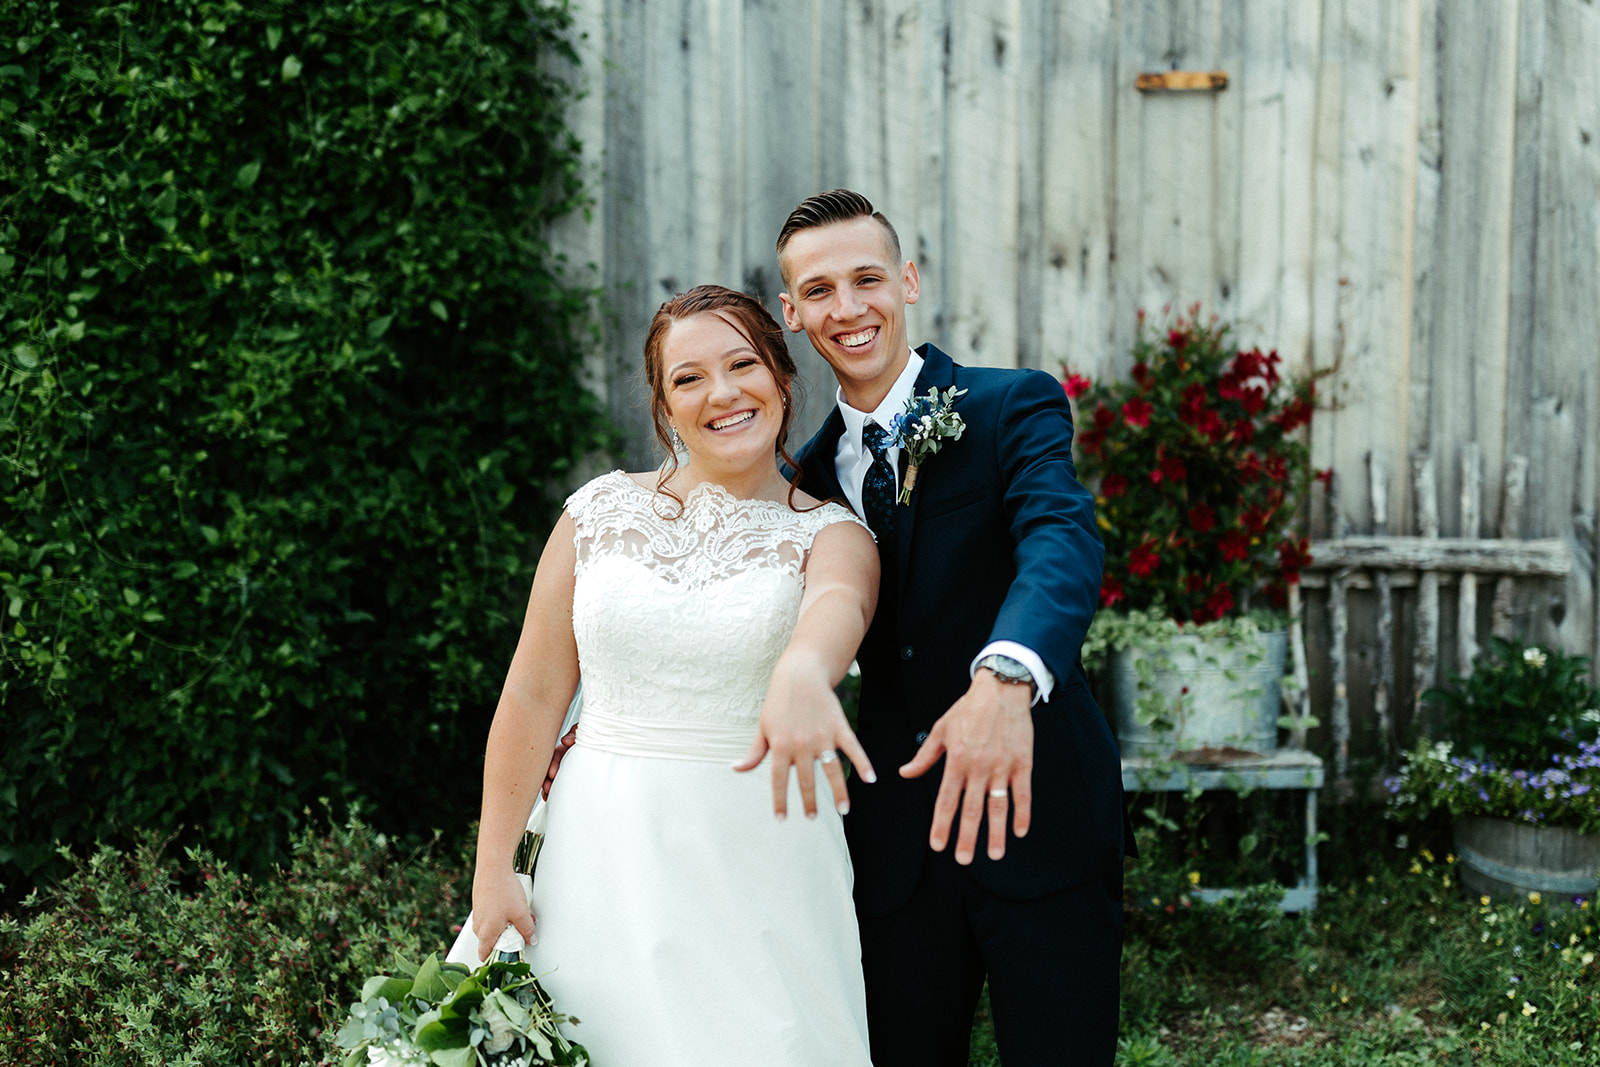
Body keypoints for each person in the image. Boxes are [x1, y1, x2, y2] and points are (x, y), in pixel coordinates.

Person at [448, 284, 881, 1066]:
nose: (722, 392)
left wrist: (805, 676)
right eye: (688, 378)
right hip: (598, 852)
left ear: (783, 375)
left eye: (743, 363)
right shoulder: (597, 513)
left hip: (759, 860)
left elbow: (837, 609)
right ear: (663, 405)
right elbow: (535, 691)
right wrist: (493, 869)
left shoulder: (831, 534)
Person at [777, 189, 1131, 1066]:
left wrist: (1006, 678)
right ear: (792, 313)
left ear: (908, 281)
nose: (848, 307)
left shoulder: (1014, 405)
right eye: (819, 290)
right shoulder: (802, 479)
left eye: (867, 278)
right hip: (895, 845)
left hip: (1043, 815)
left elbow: (1060, 540)